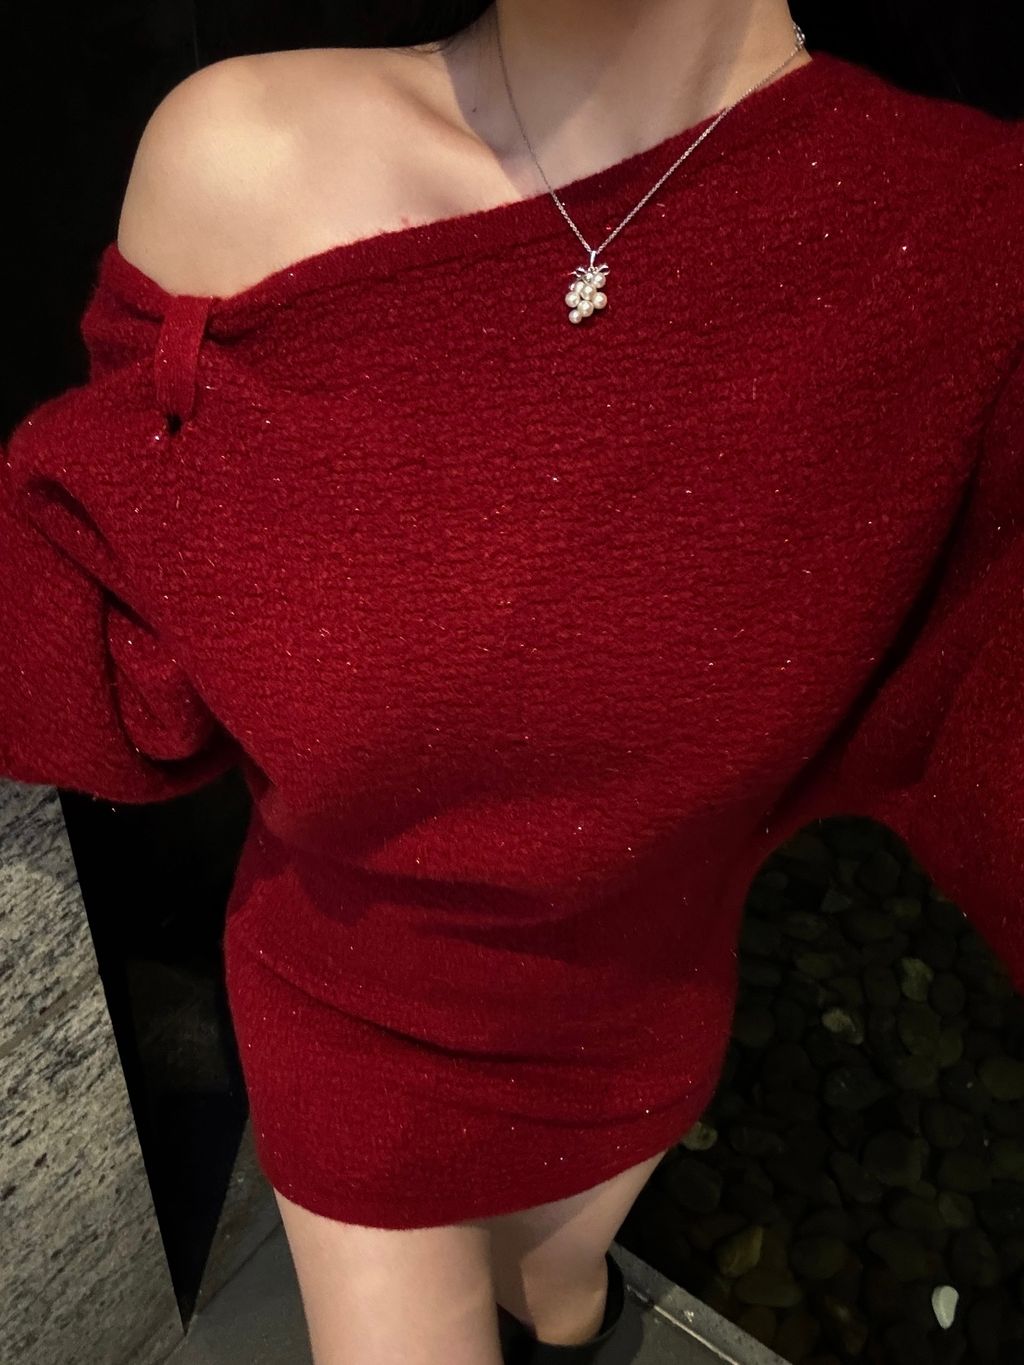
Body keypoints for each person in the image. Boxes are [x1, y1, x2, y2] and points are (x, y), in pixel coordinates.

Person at [2, 1, 1022, 1362]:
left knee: (562, 1305)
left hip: (637, 1022)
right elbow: (123, 650)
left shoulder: (958, 243)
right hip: (349, 1011)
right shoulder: (240, 159)